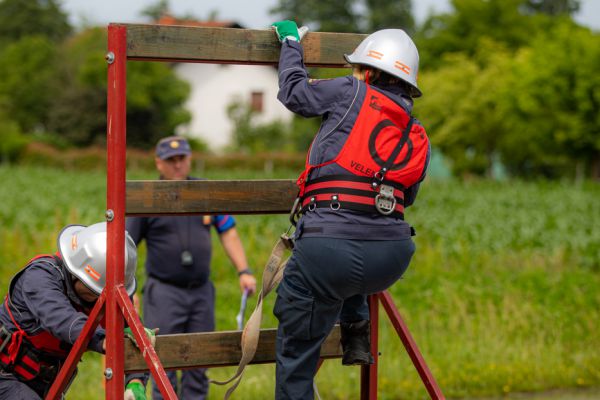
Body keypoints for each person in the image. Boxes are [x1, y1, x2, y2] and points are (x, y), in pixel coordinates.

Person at [270, 21, 430, 399]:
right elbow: (407, 198)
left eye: (357, 68)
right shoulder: (414, 127)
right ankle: (356, 326)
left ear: (371, 72)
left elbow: (295, 93)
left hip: (331, 251)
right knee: (351, 250)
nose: (352, 74)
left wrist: (291, 43)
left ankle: (350, 324)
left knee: (296, 352)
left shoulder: (351, 90)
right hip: (390, 259)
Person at [126, 136, 257, 400]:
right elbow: (127, 246)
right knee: (162, 360)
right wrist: (130, 289)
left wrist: (244, 271)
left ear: (189, 160)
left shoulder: (204, 192)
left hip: (201, 292)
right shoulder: (148, 196)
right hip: (164, 292)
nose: (177, 165)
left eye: (182, 159)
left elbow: (228, 231)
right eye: (170, 160)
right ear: (158, 163)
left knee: (199, 360)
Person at [0, 222, 150, 400]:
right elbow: (61, 319)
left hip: (48, 389)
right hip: (6, 377)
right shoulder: (39, 277)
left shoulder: (105, 291)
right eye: (93, 292)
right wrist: (104, 339)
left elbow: (133, 334)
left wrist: (135, 382)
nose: (98, 301)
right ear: (77, 274)